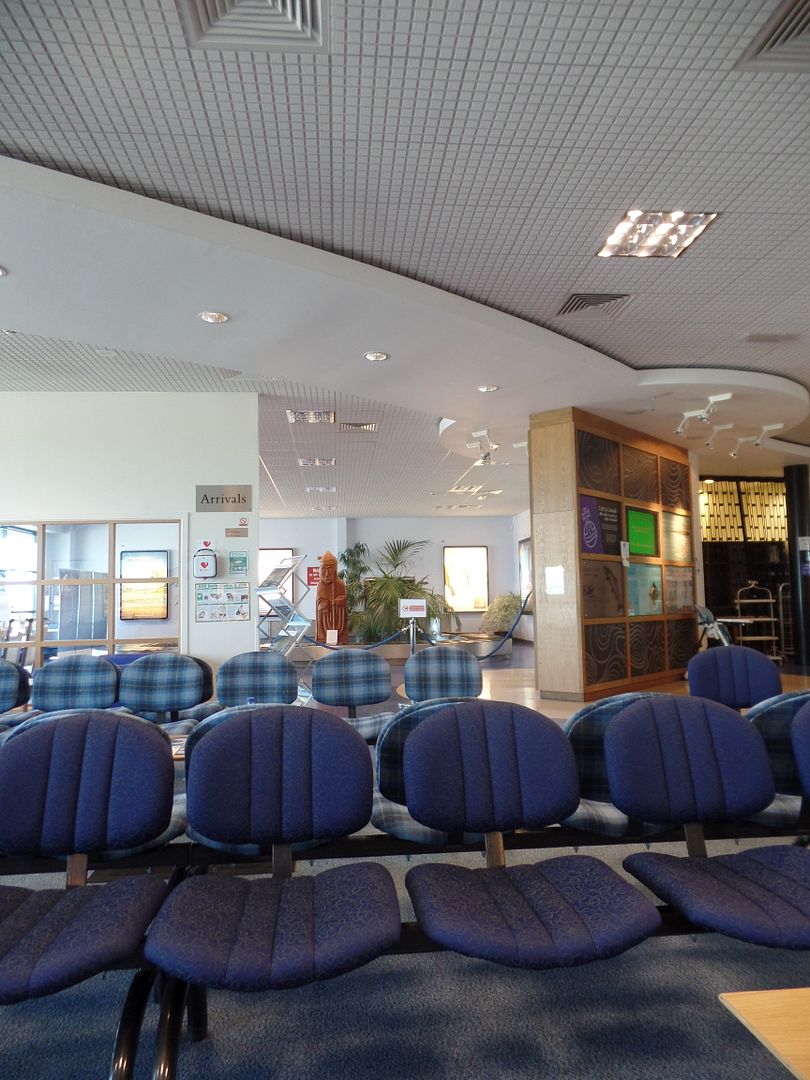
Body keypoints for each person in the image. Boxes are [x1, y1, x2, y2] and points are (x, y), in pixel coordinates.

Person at [315, 551, 348, 644]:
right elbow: (319, 602)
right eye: (323, 570)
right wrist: (323, 604)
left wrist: (338, 602)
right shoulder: (320, 586)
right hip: (324, 618)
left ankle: (341, 638)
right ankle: (322, 638)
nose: (326, 574)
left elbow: (344, 600)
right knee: (323, 633)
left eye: (329, 570)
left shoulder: (340, 584)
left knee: (340, 627)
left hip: (337, 617)